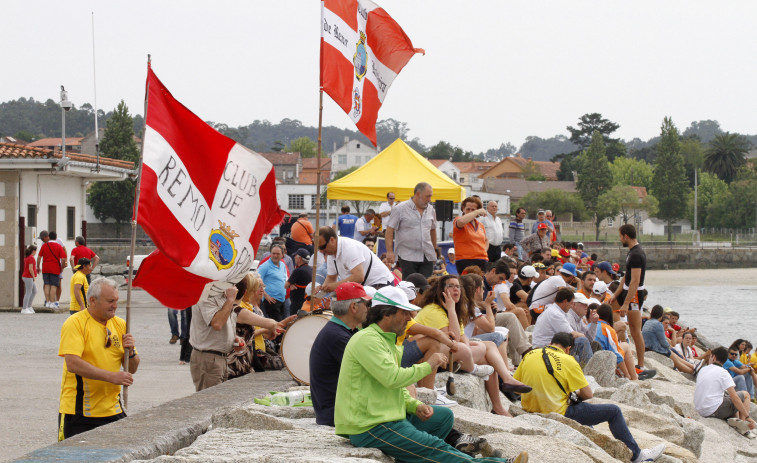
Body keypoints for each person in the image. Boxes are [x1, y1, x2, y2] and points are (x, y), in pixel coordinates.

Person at [334, 285, 529, 463]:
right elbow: (392, 378)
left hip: (385, 415)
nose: (410, 319)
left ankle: (411, 453)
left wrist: (414, 404)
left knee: (442, 417)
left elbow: (390, 386)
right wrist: (429, 364)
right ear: (387, 314)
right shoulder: (367, 340)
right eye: (405, 313)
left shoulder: (385, 340)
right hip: (370, 425)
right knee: (434, 446)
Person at [514, 332, 666, 463]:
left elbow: (516, 389)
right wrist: (575, 396)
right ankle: (638, 456)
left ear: (550, 343)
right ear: (568, 349)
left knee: (587, 419)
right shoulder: (568, 360)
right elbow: (588, 394)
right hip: (557, 412)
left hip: (530, 409)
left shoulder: (530, 355)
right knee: (613, 411)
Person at [57, 277, 140, 441]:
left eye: (116, 300)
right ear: (92, 301)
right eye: (110, 301)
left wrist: (131, 352)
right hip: (80, 411)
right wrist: (111, 376)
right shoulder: (75, 323)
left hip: (113, 409)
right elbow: (72, 363)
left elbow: (132, 369)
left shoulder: (121, 324)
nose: (115, 305)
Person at [189, 284, 280, 391]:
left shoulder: (221, 296)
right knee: (210, 400)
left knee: (219, 399)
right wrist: (230, 300)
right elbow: (217, 323)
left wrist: (233, 338)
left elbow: (223, 324)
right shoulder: (207, 296)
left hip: (218, 357)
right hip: (209, 356)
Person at [695, 346, 756, 438]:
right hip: (712, 410)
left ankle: (736, 421)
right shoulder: (723, 373)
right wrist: (748, 416)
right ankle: (743, 426)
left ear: (714, 357)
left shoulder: (704, 369)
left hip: (699, 408)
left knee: (728, 402)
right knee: (745, 395)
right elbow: (734, 397)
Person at [611, 224, 647, 370]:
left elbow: (635, 281)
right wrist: (616, 295)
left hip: (634, 294)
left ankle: (641, 365)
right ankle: (620, 349)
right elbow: (626, 276)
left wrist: (626, 303)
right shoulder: (631, 252)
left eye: (620, 236)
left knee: (635, 330)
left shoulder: (637, 254)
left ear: (625, 236)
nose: (620, 239)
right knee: (608, 311)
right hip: (626, 290)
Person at [317, 227, 396, 292]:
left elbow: (358, 277)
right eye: (318, 248)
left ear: (332, 240)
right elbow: (331, 277)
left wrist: (335, 286)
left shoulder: (349, 248)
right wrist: (321, 291)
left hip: (380, 284)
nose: (321, 251)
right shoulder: (331, 253)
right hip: (366, 286)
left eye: (322, 247)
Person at [384, 182, 438, 278]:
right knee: (410, 286)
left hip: (427, 254)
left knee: (427, 287)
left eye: (431, 196)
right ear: (418, 194)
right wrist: (389, 251)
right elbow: (389, 230)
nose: (430, 199)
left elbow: (432, 230)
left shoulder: (431, 210)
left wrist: (434, 249)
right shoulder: (399, 209)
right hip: (407, 255)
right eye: (427, 196)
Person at [531, 289, 593, 365]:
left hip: (551, 345)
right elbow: (572, 335)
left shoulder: (556, 311)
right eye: (570, 303)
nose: (571, 306)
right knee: (582, 341)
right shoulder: (556, 314)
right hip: (544, 348)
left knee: (583, 349)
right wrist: (584, 336)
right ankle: (590, 371)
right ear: (565, 302)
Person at [641, 306, 696, 375]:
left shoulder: (648, 322)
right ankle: (693, 371)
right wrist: (668, 346)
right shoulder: (658, 324)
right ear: (661, 315)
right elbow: (663, 342)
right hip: (654, 348)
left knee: (676, 357)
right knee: (677, 362)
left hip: (647, 346)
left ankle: (694, 367)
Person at [595, 304, 643, 380]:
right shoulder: (608, 329)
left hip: (594, 360)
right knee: (625, 346)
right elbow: (616, 354)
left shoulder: (591, 325)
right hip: (605, 360)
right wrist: (627, 374)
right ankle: (634, 378)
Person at [452, 196, 489, 274]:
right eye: (468, 209)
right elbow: (461, 222)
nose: (470, 211)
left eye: (473, 209)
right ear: (463, 209)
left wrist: (483, 251)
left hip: (482, 260)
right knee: (468, 284)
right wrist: (476, 212)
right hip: (465, 260)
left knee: (480, 285)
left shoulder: (480, 225)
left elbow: (486, 240)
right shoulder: (459, 220)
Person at [258, 244, 288, 321]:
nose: (275, 256)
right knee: (276, 325)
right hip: (271, 301)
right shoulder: (265, 266)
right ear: (270, 254)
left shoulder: (282, 265)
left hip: (282, 300)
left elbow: (283, 279)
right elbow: (255, 280)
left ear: (282, 255)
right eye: (273, 253)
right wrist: (266, 295)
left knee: (282, 324)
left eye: (278, 254)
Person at [37, 230, 67, 309]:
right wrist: (62, 267)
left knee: (46, 285)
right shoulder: (58, 246)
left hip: (45, 268)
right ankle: (53, 302)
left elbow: (39, 257)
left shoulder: (44, 246)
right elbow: (63, 259)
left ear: (49, 237)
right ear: (56, 238)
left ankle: (47, 301)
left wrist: (38, 266)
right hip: (55, 268)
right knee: (54, 285)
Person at [286, 248, 312, 314]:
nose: (294, 257)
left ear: (299, 258)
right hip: (307, 303)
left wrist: (290, 284)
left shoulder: (298, 271)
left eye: (296, 256)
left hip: (297, 303)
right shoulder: (311, 269)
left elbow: (285, 285)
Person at [21, 245, 38, 314]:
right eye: (35, 251)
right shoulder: (31, 258)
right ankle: (24, 308)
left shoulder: (27, 257)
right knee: (28, 292)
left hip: (27, 276)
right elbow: (30, 268)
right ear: (33, 251)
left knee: (34, 291)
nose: (36, 253)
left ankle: (29, 306)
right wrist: (34, 276)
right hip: (28, 276)